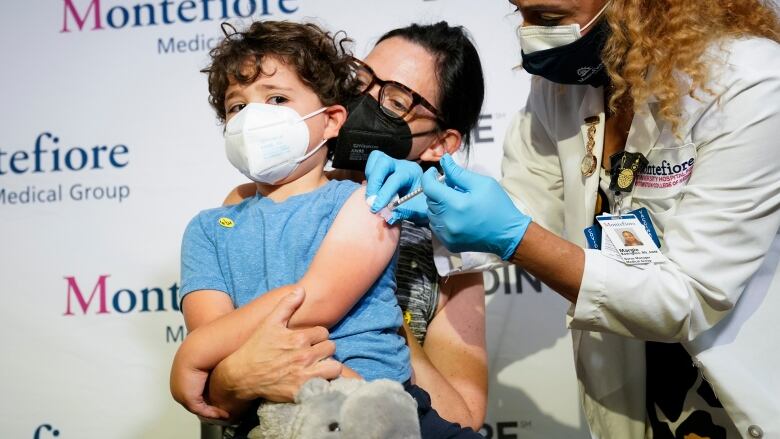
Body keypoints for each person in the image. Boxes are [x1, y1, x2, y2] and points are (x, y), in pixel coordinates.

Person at [366, 1, 780, 438]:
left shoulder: (748, 86)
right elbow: (527, 204)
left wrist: (515, 238)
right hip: (636, 386)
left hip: (731, 394)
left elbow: (689, 297)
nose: (528, 36)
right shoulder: (565, 83)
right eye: (520, 12)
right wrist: (437, 201)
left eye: (547, 19)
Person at [170, 20, 482, 439]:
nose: (364, 102)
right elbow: (219, 382)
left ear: (440, 142)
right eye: (362, 81)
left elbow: (460, 416)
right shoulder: (230, 216)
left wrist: (379, 302)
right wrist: (228, 373)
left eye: (394, 100)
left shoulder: (443, 245)